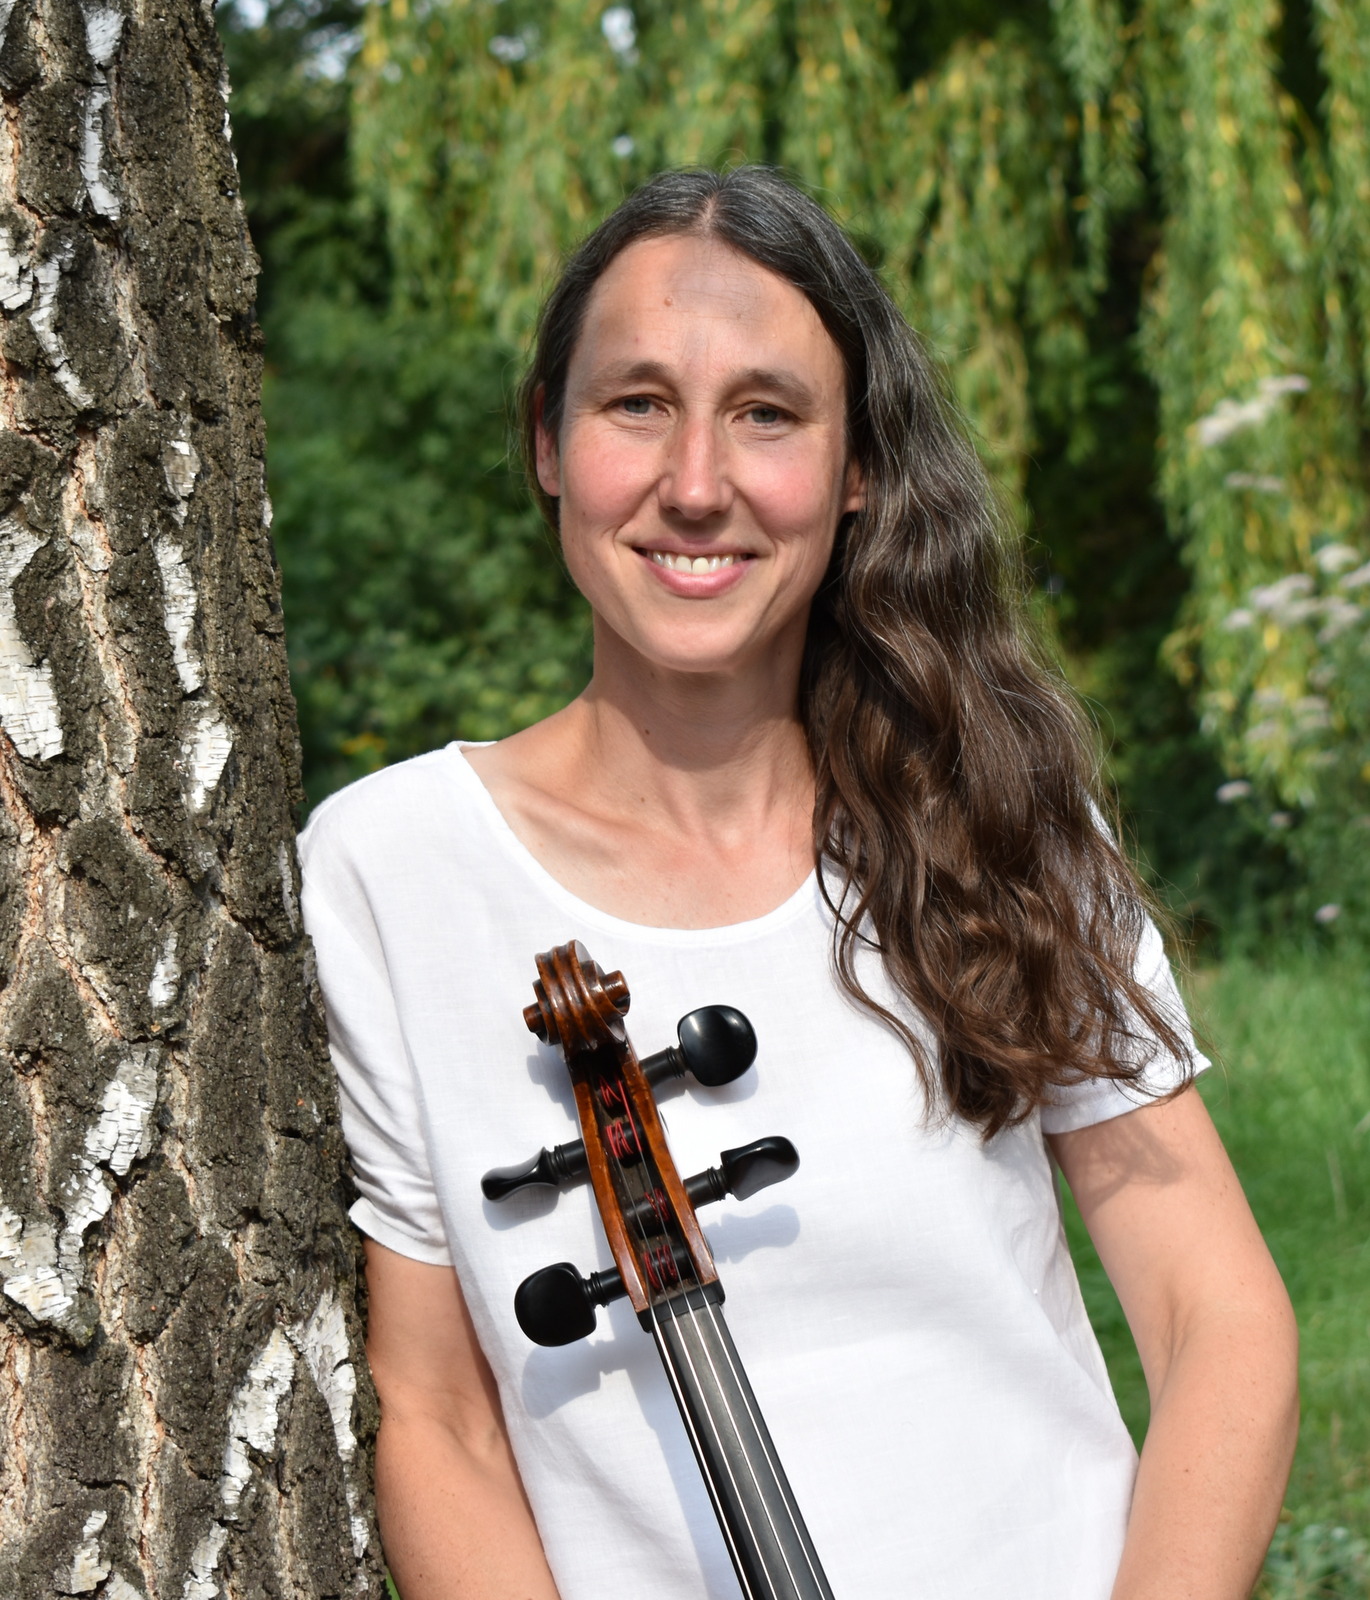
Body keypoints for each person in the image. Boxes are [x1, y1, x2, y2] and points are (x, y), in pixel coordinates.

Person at [298, 166, 1298, 1600]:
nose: (696, 484)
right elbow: (438, 1418)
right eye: (637, 403)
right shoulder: (390, 871)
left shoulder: (990, 813)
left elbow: (1218, 1318)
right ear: (547, 441)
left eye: (766, 413)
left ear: (856, 469)